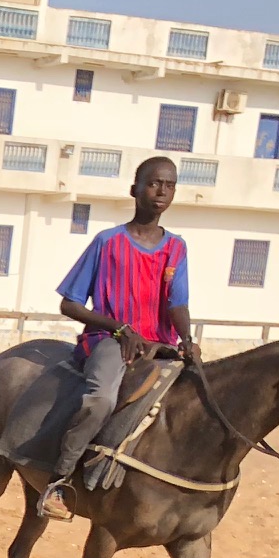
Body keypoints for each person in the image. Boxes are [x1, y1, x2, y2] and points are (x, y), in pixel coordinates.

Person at [43, 156, 202, 520]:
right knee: (100, 400)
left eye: (170, 184)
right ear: (135, 190)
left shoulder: (176, 248)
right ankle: (60, 481)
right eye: (153, 183)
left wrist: (188, 338)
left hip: (158, 345)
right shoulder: (107, 242)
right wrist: (117, 327)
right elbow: (70, 304)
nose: (162, 191)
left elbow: (177, 303)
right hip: (109, 341)